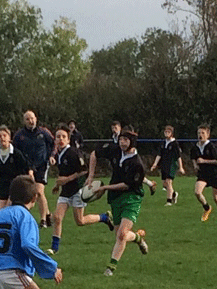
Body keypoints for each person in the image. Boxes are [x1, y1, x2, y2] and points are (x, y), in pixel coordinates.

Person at [85, 126, 148, 276]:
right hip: (115, 198)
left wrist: (105, 187)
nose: (122, 143)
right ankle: (138, 238)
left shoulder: (137, 164)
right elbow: (94, 154)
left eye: (125, 140)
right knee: (121, 235)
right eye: (120, 139)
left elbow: (127, 185)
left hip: (132, 197)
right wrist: (91, 176)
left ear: (132, 142)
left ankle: (110, 268)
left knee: (121, 234)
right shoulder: (115, 150)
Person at [47, 125, 114, 255]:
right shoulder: (59, 154)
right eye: (58, 137)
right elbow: (63, 174)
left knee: (80, 221)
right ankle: (54, 247)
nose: (61, 139)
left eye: (63, 137)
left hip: (78, 190)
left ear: (68, 139)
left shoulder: (73, 152)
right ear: (55, 140)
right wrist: (57, 185)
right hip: (66, 191)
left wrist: (66, 180)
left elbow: (83, 171)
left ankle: (104, 217)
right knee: (57, 217)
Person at [12, 110, 55, 228]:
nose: (30, 121)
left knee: (39, 191)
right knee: (26, 193)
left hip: (41, 165)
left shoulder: (43, 132)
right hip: (26, 166)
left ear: (36, 119)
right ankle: (47, 214)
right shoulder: (19, 135)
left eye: (32, 118)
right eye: (27, 119)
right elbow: (14, 150)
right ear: (24, 121)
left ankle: (43, 221)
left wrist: (51, 156)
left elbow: (54, 144)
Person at [0, 125, 32, 212]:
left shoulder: (16, 153)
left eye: (4, 135)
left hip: (15, 187)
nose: (2, 138)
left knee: (9, 211)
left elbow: (27, 167)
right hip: (2, 187)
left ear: (9, 137)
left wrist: (30, 183)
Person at [191, 125, 217, 225]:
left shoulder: (212, 147)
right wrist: (195, 165)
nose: (200, 135)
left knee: (216, 198)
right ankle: (207, 208)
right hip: (203, 174)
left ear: (208, 134)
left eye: (203, 133)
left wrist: (204, 161)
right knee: (197, 192)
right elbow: (193, 157)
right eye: (199, 133)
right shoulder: (196, 147)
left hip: (214, 173)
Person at [150, 125, 185, 206]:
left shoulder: (175, 143)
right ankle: (174, 194)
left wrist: (181, 167)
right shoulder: (163, 143)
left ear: (172, 133)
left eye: (168, 132)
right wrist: (154, 164)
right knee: (164, 184)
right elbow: (159, 155)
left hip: (171, 165)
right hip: (164, 165)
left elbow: (178, 156)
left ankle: (169, 201)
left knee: (169, 182)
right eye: (165, 132)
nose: (166, 133)